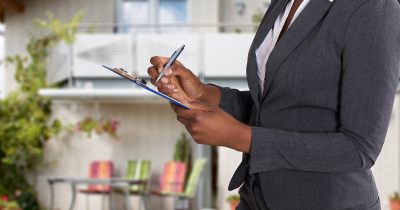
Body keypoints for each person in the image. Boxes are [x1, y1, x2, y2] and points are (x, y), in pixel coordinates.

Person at [147, 0, 400, 209]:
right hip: (257, 197)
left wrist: (241, 138)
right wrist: (206, 95)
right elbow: (275, 105)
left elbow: (359, 148)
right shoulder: (283, 3)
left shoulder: (373, 7)